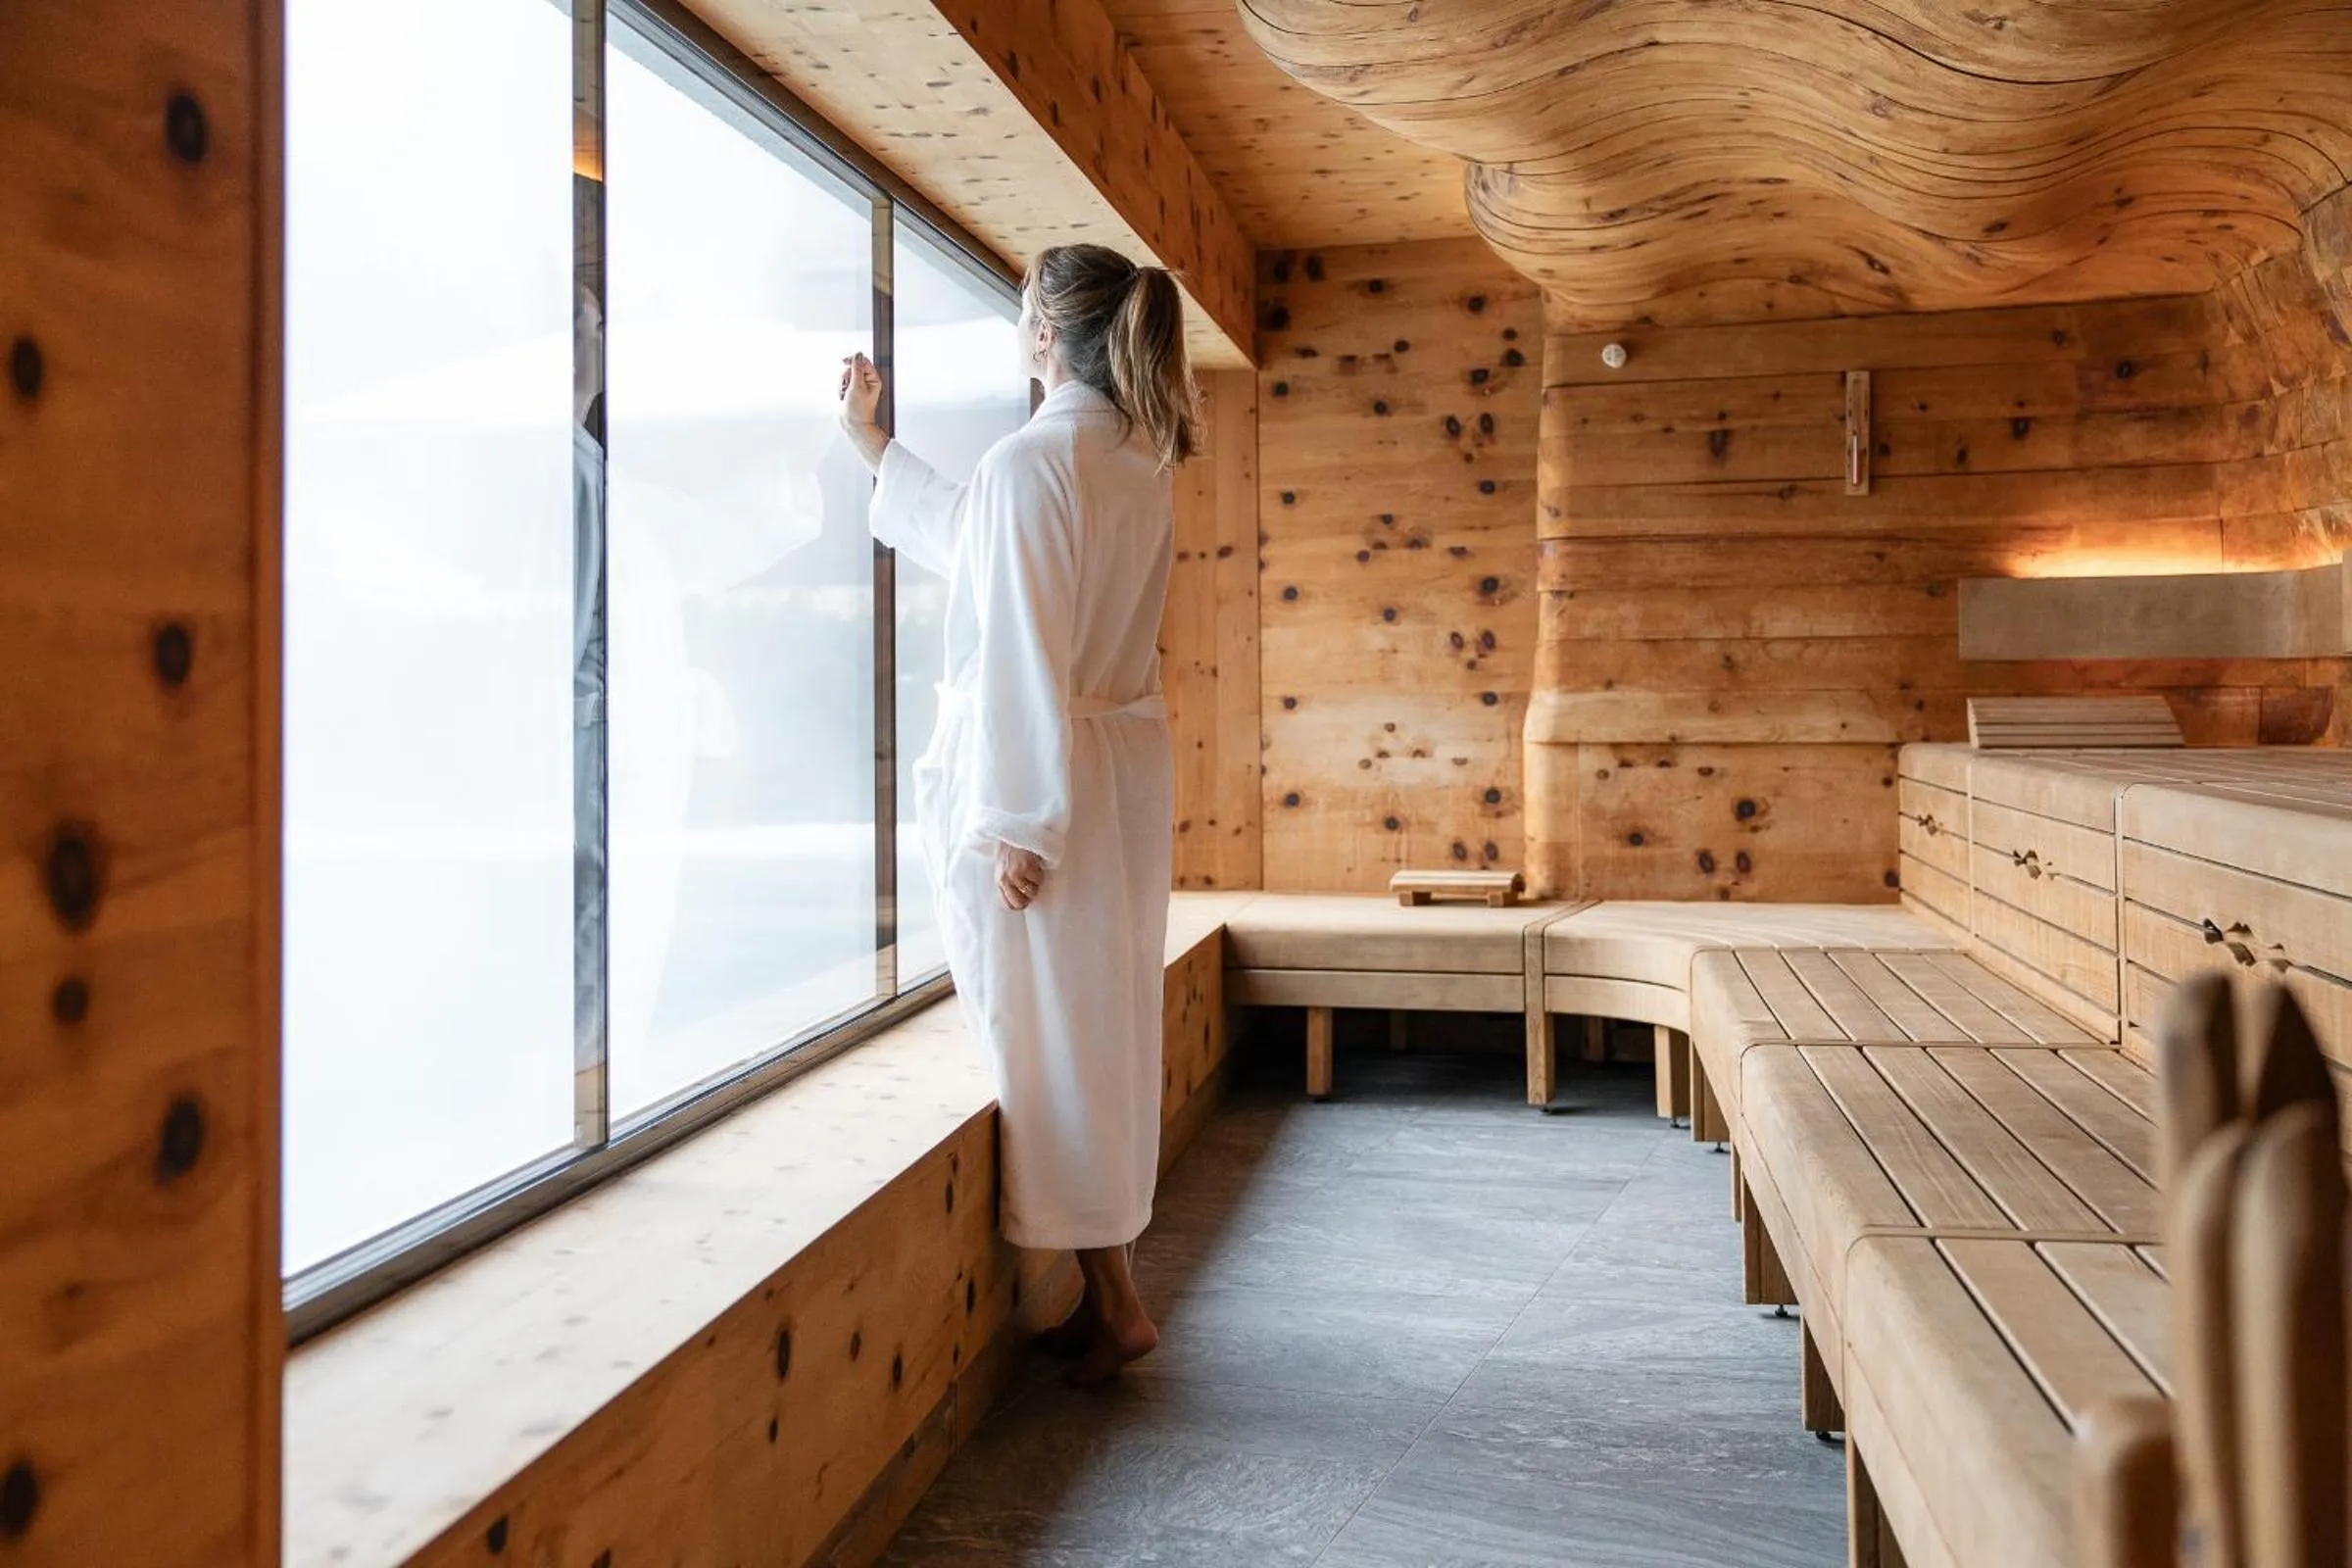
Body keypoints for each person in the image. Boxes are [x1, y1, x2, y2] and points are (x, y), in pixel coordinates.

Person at [837, 243, 1194, 1386]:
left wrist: (1022, 826)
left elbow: (1020, 658)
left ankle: (1115, 1299)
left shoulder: (1036, 463)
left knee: (1048, 1040)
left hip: (1051, 790)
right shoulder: (1139, 456)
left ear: (1044, 333)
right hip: (1118, 779)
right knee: (1106, 1023)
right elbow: (988, 555)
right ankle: (1114, 1287)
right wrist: (876, 452)